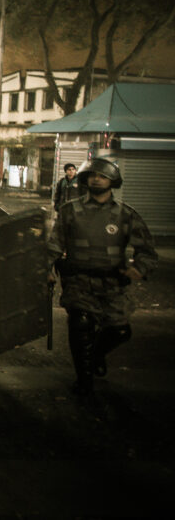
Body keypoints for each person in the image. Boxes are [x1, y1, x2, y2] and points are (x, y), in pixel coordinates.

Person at [47, 157, 157, 404]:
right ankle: (84, 380)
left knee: (120, 330)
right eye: (92, 175)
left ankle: (94, 356)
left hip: (113, 284)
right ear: (85, 180)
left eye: (102, 176)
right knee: (80, 326)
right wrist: (47, 268)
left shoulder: (125, 214)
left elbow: (147, 250)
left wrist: (138, 269)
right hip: (78, 280)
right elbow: (54, 244)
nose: (96, 179)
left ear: (112, 182)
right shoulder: (70, 211)